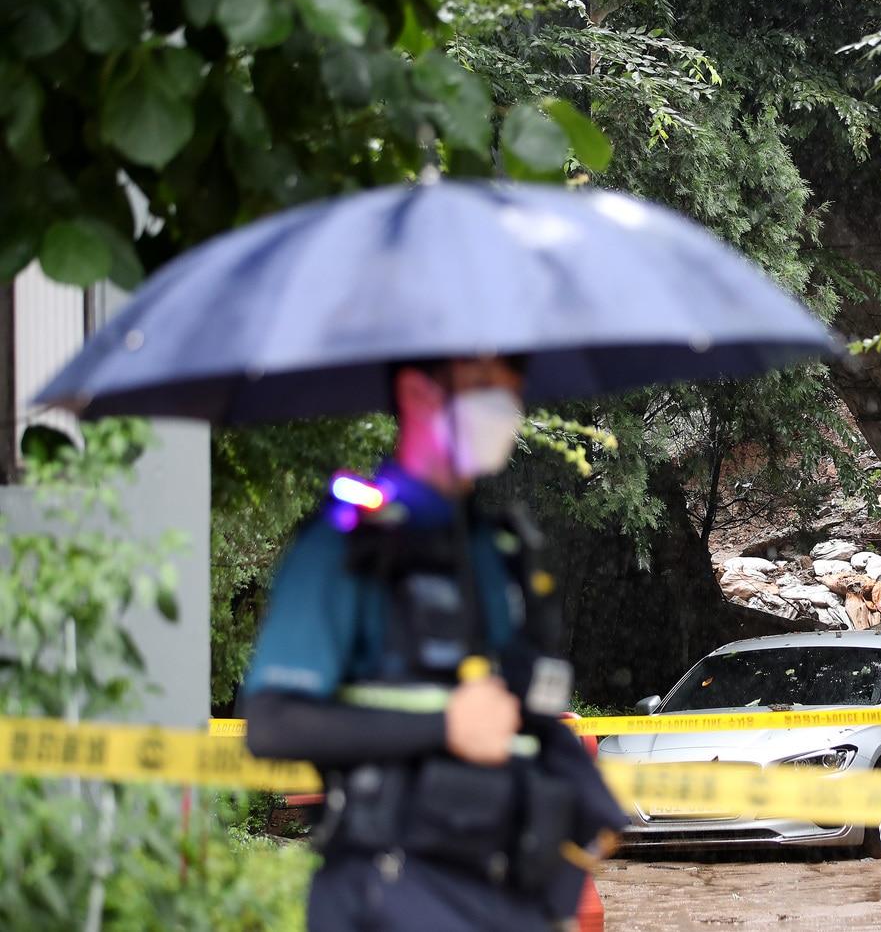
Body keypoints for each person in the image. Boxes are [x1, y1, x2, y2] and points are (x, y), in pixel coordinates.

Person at [242, 355, 626, 931]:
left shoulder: (496, 549)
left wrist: (587, 796)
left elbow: (517, 706)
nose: (503, 405)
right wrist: (443, 729)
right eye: (480, 384)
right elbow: (273, 726)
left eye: (511, 386)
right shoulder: (346, 545)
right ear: (417, 392)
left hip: (507, 891)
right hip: (392, 888)